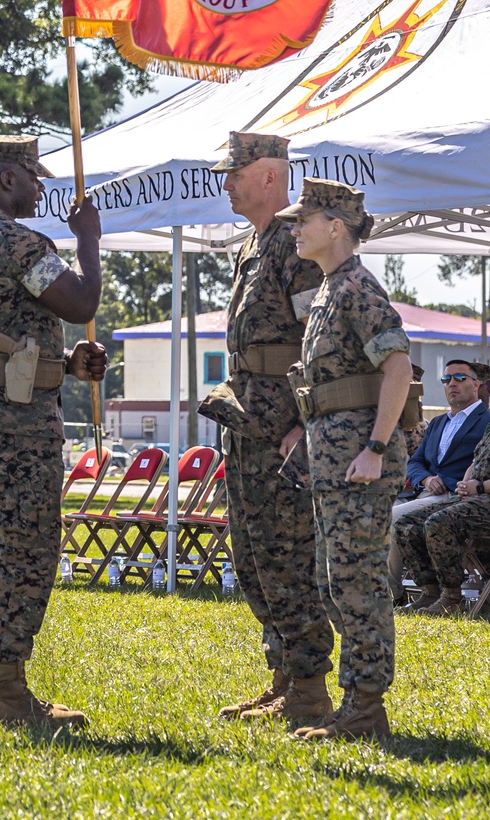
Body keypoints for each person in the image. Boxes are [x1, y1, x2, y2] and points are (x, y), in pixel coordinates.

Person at [0, 135, 107, 730]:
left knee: (3, 546)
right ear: (9, 179)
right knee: (26, 550)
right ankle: (7, 694)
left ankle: (3, 689)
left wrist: (64, 366)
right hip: (14, 427)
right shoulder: (15, 240)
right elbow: (82, 296)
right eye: (35, 177)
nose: (42, 188)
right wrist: (87, 238)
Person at [199, 131, 334, 727]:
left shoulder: (295, 244)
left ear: (270, 175)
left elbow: (323, 343)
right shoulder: (253, 245)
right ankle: (282, 675)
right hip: (248, 425)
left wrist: (307, 424)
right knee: (251, 556)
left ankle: (310, 688)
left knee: (287, 557)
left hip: (285, 432)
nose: (225, 182)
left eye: (234, 172)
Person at [277, 178, 412, 743]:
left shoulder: (357, 288)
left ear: (336, 226)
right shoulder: (331, 288)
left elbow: (398, 369)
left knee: (357, 584)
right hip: (333, 459)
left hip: (359, 461)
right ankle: (355, 703)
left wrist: (376, 450)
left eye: (302, 219)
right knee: (334, 581)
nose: (294, 228)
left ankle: (365, 709)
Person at [394, 357, 490, 616]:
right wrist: (466, 483)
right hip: (475, 497)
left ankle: (451, 598)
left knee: (439, 522)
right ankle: (429, 592)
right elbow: (476, 460)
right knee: (406, 523)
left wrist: (481, 487)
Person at [388, 358, 490, 600]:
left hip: (456, 496)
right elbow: (414, 463)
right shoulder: (437, 423)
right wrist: (426, 479)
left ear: (476, 384)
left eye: (460, 378)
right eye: (447, 379)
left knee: (392, 517)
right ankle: (410, 592)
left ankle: (388, 596)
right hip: (425, 493)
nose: (452, 384)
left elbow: (482, 466)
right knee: (380, 512)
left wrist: (443, 480)